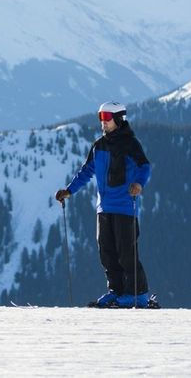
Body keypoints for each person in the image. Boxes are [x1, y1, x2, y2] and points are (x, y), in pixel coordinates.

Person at [55, 101, 154, 308]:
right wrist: (69, 190)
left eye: (107, 118)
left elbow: (144, 167)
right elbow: (86, 171)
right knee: (107, 252)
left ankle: (139, 295)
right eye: (101, 117)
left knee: (127, 252)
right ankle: (116, 291)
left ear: (119, 119)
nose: (103, 122)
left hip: (125, 206)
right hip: (104, 208)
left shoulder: (130, 144)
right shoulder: (99, 146)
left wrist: (138, 184)